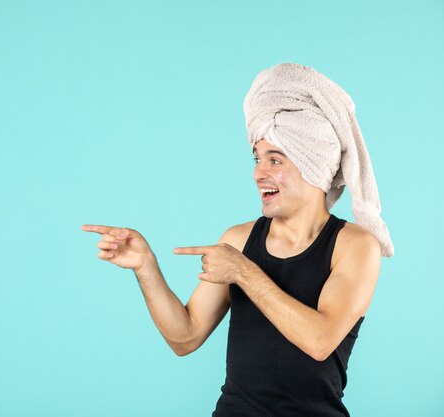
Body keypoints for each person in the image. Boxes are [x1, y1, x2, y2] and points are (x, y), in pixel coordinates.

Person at [82, 63, 393, 417]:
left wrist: (244, 272)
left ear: (313, 164)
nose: (259, 173)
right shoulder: (239, 239)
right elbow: (185, 338)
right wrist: (145, 267)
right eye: (257, 159)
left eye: (275, 160)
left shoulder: (355, 246)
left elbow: (320, 341)